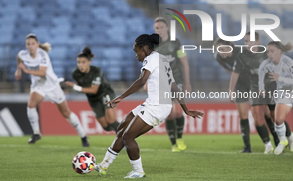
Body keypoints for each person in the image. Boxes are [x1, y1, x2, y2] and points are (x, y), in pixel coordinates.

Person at [94, 34, 204, 178]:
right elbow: (174, 86)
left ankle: (138, 171)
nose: (136, 56)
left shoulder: (151, 59)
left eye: (136, 51)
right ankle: (104, 165)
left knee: (128, 137)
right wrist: (186, 109)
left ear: (144, 48)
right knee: (121, 129)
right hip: (154, 104)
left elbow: (141, 81)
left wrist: (121, 97)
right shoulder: (162, 59)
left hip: (157, 106)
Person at [15, 33, 89, 146]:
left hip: (52, 86)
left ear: (37, 45)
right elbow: (19, 58)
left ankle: (83, 135)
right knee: (30, 105)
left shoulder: (43, 55)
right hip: (38, 86)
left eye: (33, 44)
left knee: (66, 113)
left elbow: (42, 72)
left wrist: (26, 70)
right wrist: (18, 71)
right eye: (28, 44)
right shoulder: (23, 54)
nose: (30, 46)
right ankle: (36, 133)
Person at [229, 32, 278, 154]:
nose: (247, 44)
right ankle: (264, 145)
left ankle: (280, 139)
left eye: (250, 41)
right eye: (245, 41)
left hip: (267, 86)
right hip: (250, 86)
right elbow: (235, 73)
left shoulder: (267, 53)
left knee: (270, 114)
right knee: (254, 116)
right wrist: (231, 90)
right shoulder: (241, 56)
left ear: (257, 41)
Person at [259, 41, 293, 155]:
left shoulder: (288, 62)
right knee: (278, 119)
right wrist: (261, 87)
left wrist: (280, 78)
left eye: (272, 51)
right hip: (283, 93)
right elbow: (261, 73)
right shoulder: (266, 64)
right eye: (268, 52)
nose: (269, 54)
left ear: (279, 51)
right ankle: (283, 141)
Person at [154, 17, 192, 152]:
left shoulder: (176, 43)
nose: (159, 30)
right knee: (169, 114)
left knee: (177, 112)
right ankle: (173, 143)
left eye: (161, 27)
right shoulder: (153, 46)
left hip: (177, 81)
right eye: (157, 28)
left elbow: (184, 63)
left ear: (167, 28)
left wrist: (187, 82)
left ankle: (180, 138)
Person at [65, 47, 120, 132]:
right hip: (93, 99)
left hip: (105, 93)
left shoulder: (96, 71)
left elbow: (94, 90)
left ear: (89, 62)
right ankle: (123, 131)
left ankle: (126, 137)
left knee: (111, 121)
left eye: (83, 62)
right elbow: (84, 87)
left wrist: (75, 87)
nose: (81, 65)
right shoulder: (75, 74)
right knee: (106, 127)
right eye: (78, 62)